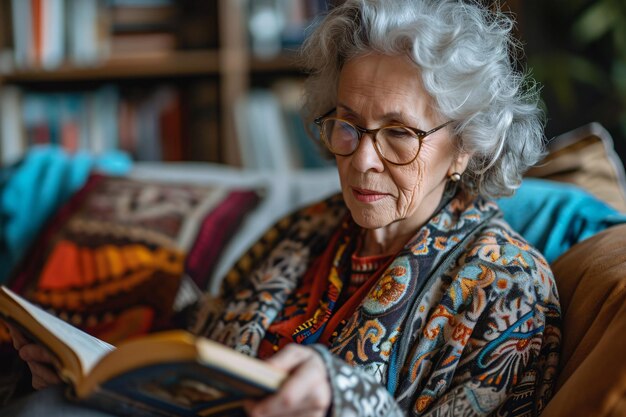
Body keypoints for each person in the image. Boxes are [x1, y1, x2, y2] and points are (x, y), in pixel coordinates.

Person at [3, 0, 561, 416]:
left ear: (465, 147)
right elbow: (195, 354)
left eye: (397, 133)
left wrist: (342, 393)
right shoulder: (308, 229)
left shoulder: (507, 288)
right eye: (348, 124)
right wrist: (88, 377)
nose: (362, 159)